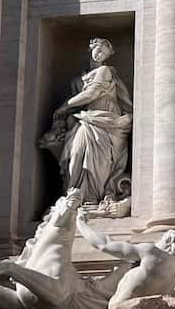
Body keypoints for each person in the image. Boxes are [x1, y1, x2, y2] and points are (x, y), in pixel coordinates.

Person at [40, 38, 133, 208]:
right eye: (97, 50)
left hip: (106, 121)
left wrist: (64, 107)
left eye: (104, 52)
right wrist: (65, 113)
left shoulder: (105, 71)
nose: (99, 54)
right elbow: (79, 101)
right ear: (90, 49)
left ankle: (91, 197)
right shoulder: (78, 79)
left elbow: (91, 94)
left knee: (99, 161)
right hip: (86, 118)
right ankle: (74, 193)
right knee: (75, 153)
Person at [76, 212, 175, 309]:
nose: (158, 241)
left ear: (168, 241)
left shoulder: (152, 252)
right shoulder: (172, 279)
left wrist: (80, 223)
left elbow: (104, 245)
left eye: (162, 238)